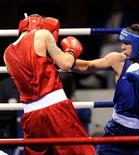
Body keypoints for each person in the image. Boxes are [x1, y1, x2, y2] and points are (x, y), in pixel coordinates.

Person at [3, 14, 95, 155]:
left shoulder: (7, 53)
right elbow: (66, 64)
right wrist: (71, 51)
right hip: (55, 108)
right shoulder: (42, 35)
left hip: (30, 116)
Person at [73, 24, 139, 154]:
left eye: (126, 43)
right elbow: (87, 66)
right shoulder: (117, 60)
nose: (122, 47)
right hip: (117, 131)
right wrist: (61, 58)